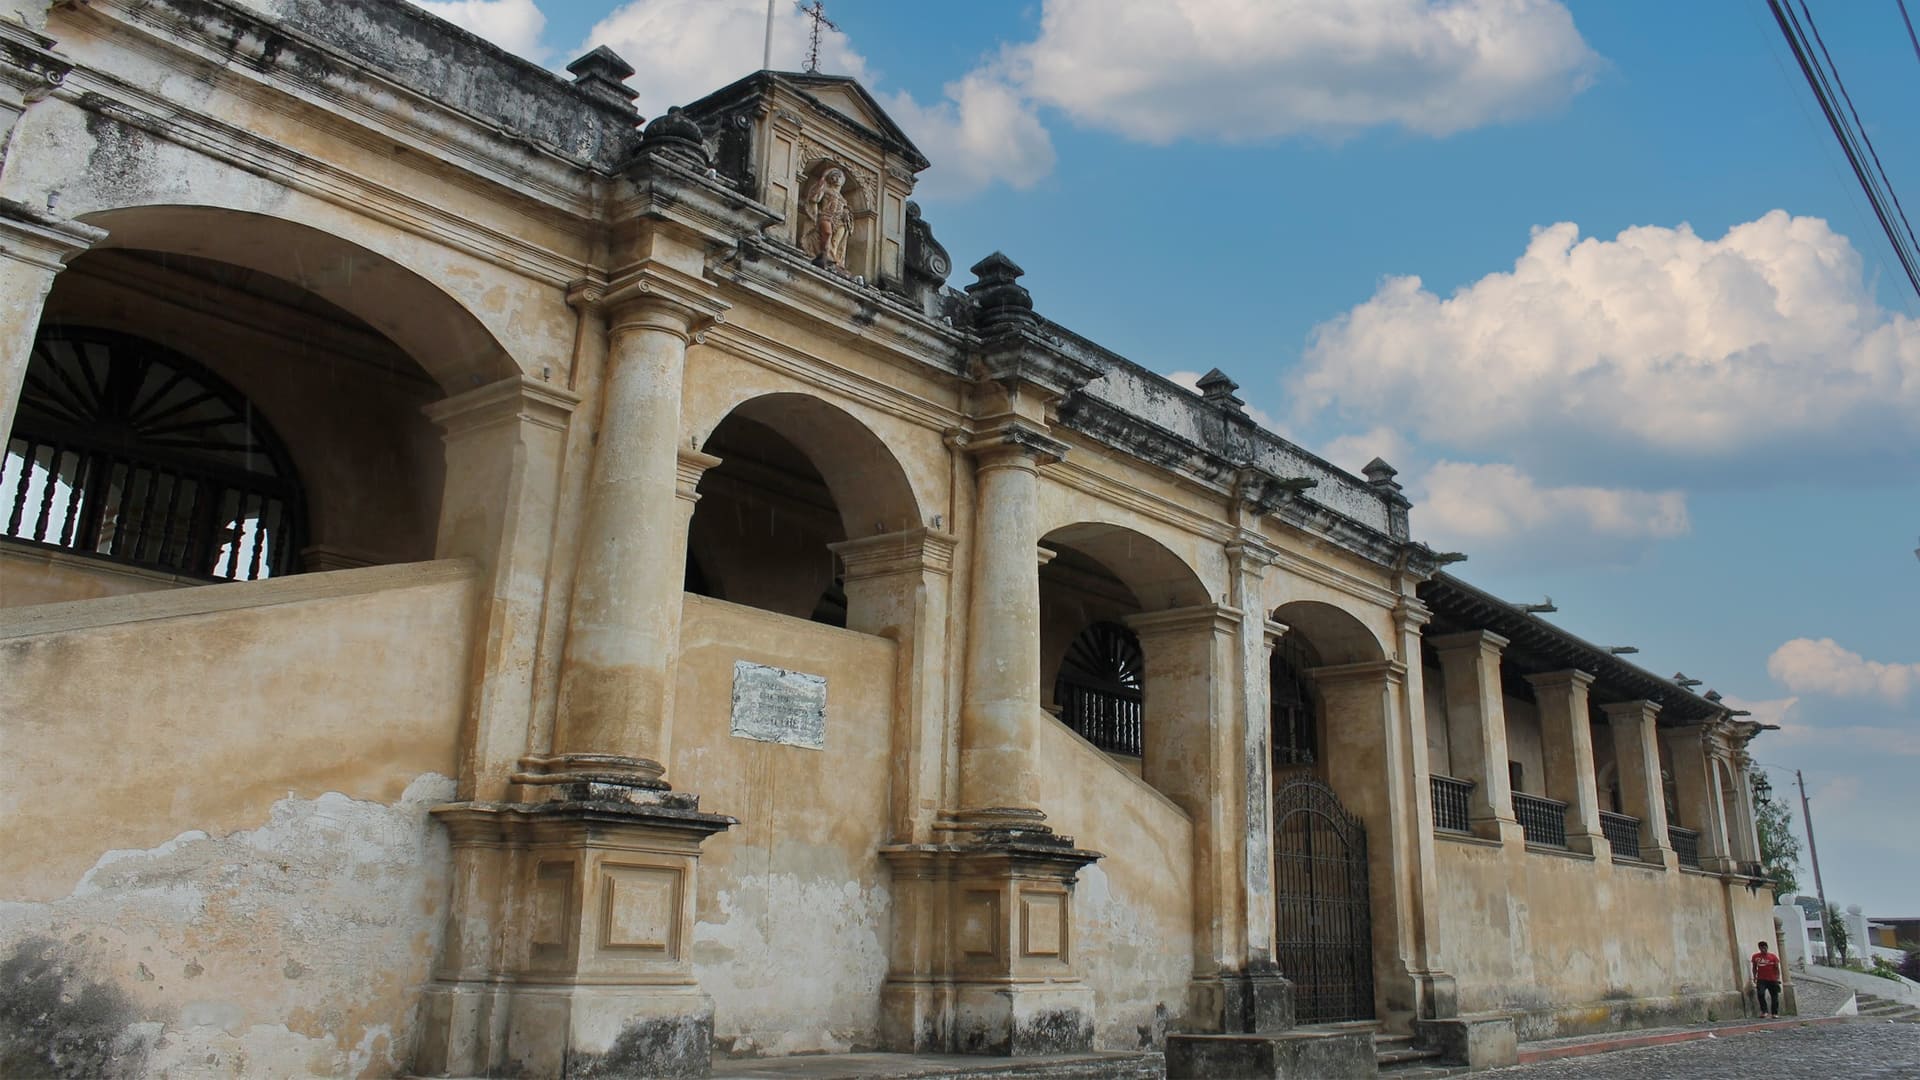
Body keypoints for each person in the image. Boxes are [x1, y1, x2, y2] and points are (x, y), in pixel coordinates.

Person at [1751, 940, 1782, 1018]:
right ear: (1759, 948)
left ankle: (1774, 1013)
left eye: (1764, 948)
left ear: (1767, 948)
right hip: (1761, 979)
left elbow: (1777, 968)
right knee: (1760, 994)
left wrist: (1777, 978)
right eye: (1761, 948)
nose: (1763, 950)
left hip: (1772, 979)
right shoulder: (1756, 957)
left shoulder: (1773, 957)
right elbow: (1754, 967)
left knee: (1774, 996)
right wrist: (1754, 976)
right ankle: (1764, 1011)